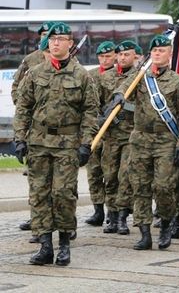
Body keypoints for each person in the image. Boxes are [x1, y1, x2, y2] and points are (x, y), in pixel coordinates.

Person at [13, 22, 98, 266]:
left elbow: (91, 111)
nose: (55, 43)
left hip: (67, 144)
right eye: (52, 39)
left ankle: (64, 245)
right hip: (39, 143)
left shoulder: (81, 75)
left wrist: (86, 143)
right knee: (39, 194)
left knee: (63, 194)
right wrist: (20, 138)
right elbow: (23, 108)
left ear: (70, 43)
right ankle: (45, 246)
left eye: (60, 39)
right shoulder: (36, 72)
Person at [114, 34, 179, 250]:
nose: (157, 54)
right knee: (139, 186)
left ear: (169, 54)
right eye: (154, 51)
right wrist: (119, 96)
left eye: (162, 51)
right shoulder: (141, 77)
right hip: (140, 139)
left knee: (163, 186)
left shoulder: (178, 82)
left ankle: (166, 224)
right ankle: (144, 232)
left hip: (166, 140)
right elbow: (124, 87)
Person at [11, 21, 54, 240]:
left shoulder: (67, 63)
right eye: (45, 35)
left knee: (60, 184)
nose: (48, 38)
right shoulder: (30, 61)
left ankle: (60, 220)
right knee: (36, 179)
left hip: (60, 134)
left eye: (52, 35)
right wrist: (24, 106)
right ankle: (37, 218)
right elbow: (17, 86)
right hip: (35, 129)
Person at [96, 40, 140, 235]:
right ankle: (111, 216)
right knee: (110, 175)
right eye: (120, 55)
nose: (123, 58)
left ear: (135, 57)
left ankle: (122, 216)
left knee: (125, 175)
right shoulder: (105, 78)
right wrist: (101, 118)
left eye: (127, 55)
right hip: (110, 135)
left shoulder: (140, 77)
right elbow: (94, 103)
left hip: (131, 135)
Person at [85, 41, 116, 227]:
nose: (105, 59)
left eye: (108, 56)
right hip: (94, 130)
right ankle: (98, 210)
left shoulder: (122, 75)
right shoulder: (91, 75)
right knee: (94, 171)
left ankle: (113, 212)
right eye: (102, 56)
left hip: (113, 132)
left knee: (111, 173)